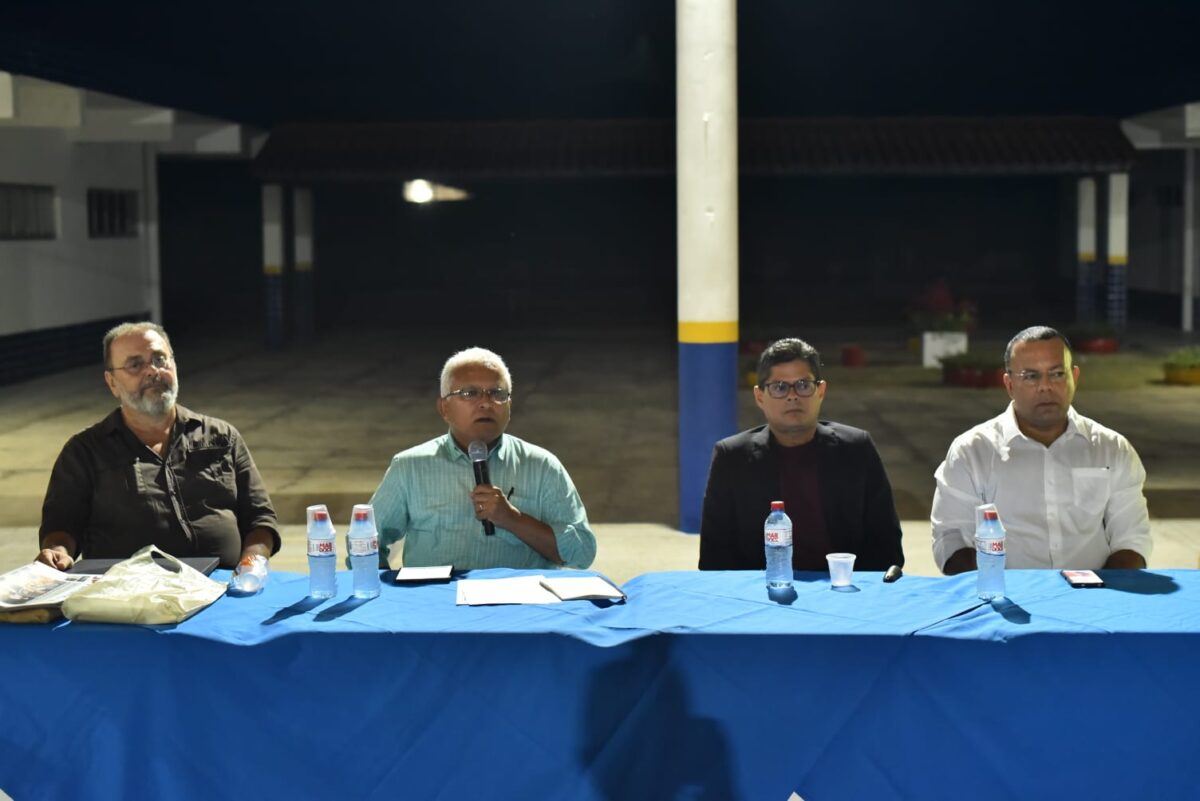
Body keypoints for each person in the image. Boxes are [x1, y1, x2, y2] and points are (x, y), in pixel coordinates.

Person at [37, 322, 280, 571]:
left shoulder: (221, 437)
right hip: (129, 598)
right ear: (112, 382)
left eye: (160, 359)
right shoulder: (85, 452)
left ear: (174, 364)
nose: (152, 371)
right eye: (135, 365)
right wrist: (57, 553)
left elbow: (260, 520)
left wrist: (252, 566)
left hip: (223, 591)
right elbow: (61, 528)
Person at [932, 325, 1152, 574]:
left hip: (1095, 601)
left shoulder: (1112, 450)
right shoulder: (972, 452)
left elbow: (1131, 540)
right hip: (1006, 605)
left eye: (1057, 374)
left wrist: (1103, 597)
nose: (1045, 386)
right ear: (1009, 384)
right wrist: (995, 592)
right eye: (1030, 376)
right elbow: (951, 539)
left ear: (1075, 377)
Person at [370, 347, 596, 570]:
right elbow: (364, 542)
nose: (486, 403)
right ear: (444, 407)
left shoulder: (543, 466)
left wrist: (513, 519)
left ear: (509, 405)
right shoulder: (410, 467)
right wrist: (388, 594)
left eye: (497, 394)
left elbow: (582, 553)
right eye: (470, 393)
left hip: (518, 600)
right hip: (437, 601)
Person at [699, 338, 905, 572]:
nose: (793, 396)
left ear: (821, 391)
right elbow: (714, 557)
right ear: (759, 397)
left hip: (845, 592)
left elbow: (887, 547)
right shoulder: (732, 457)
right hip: (762, 594)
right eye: (779, 387)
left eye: (804, 385)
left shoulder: (856, 449)